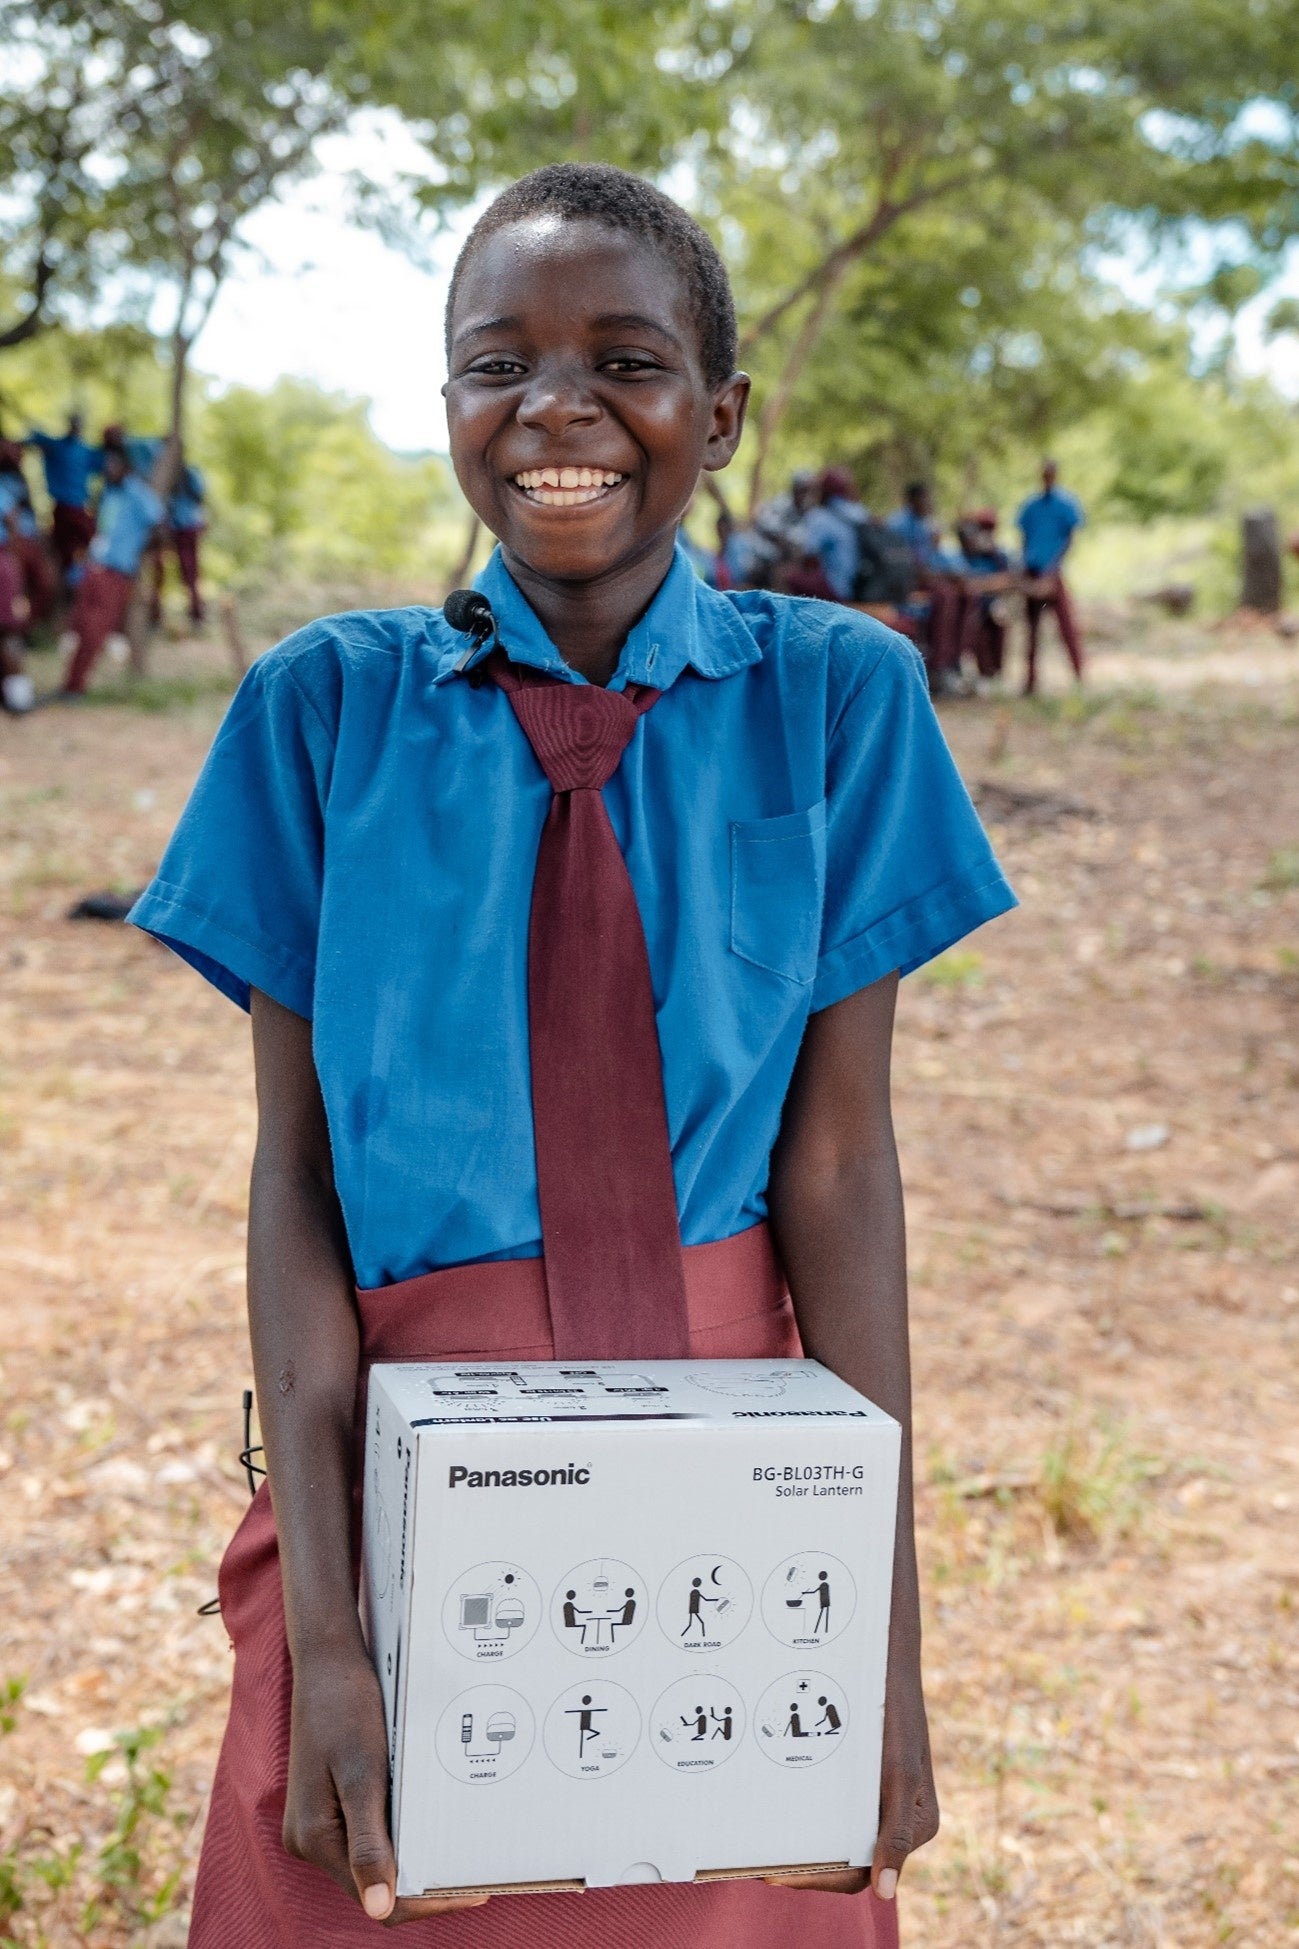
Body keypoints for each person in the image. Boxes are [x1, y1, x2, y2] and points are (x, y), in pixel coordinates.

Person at [128, 161, 1016, 1949]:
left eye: (625, 356)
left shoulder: (837, 695)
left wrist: (873, 1640)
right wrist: (325, 1624)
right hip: (391, 1492)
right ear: (445, 402)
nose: (556, 406)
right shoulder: (321, 711)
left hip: (729, 1540)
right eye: (495, 363)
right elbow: (295, 1175)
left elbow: (836, 1168)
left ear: (721, 412)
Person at [55, 448, 163, 697]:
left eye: (114, 465)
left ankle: (75, 687)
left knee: (95, 629)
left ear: (126, 467)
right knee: (79, 626)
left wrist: (135, 555)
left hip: (116, 572)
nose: (108, 469)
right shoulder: (108, 493)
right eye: (107, 465)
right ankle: (69, 682)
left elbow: (158, 526)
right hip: (93, 568)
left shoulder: (138, 493)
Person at [886, 482, 966, 690]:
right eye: (923, 499)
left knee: (964, 594)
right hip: (903, 583)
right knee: (945, 596)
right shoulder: (898, 524)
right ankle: (938, 667)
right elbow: (904, 564)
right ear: (911, 500)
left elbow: (929, 560)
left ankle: (952, 663)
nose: (927, 504)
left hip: (923, 579)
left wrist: (947, 574)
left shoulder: (924, 525)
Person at [1016, 458, 1085, 694]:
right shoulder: (1031, 506)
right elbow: (1023, 537)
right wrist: (1025, 565)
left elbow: (1070, 538)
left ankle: (1079, 676)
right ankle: (1030, 681)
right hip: (1032, 570)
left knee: (1066, 626)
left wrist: (1053, 567)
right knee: (1031, 628)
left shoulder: (1066, 503)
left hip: (1053, 572)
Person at [25, 413, 101, 581]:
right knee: (62, 549)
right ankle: (64, 579)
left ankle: (77, 578)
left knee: (90, 542)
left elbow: (106, 463)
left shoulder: (85, 451)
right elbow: (34, 439)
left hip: (79, 508)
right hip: (62, 508)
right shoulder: (58, 446)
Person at [954, 509, 1015, 681]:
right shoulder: (960, 558)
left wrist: (982, 584)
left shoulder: (997, 556)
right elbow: (964, 584)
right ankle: (977, 672)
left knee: (999, 615)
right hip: (971, 607)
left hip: (994, 604)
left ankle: (995, 673)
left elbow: (1007, 580)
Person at [150, 452, 207, 626]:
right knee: (158, 570)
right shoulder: (163, 475)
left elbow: (200, 497)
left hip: (188, 528)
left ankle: (196, 613)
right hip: (170, 529)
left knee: (190, 572)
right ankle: (156, 614)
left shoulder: (191, 474)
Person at [802, 467, 868, 602]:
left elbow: (809, 559)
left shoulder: (820, 517)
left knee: (785, 575)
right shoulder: (860, 512)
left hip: (837, 589)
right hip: (864, 584)